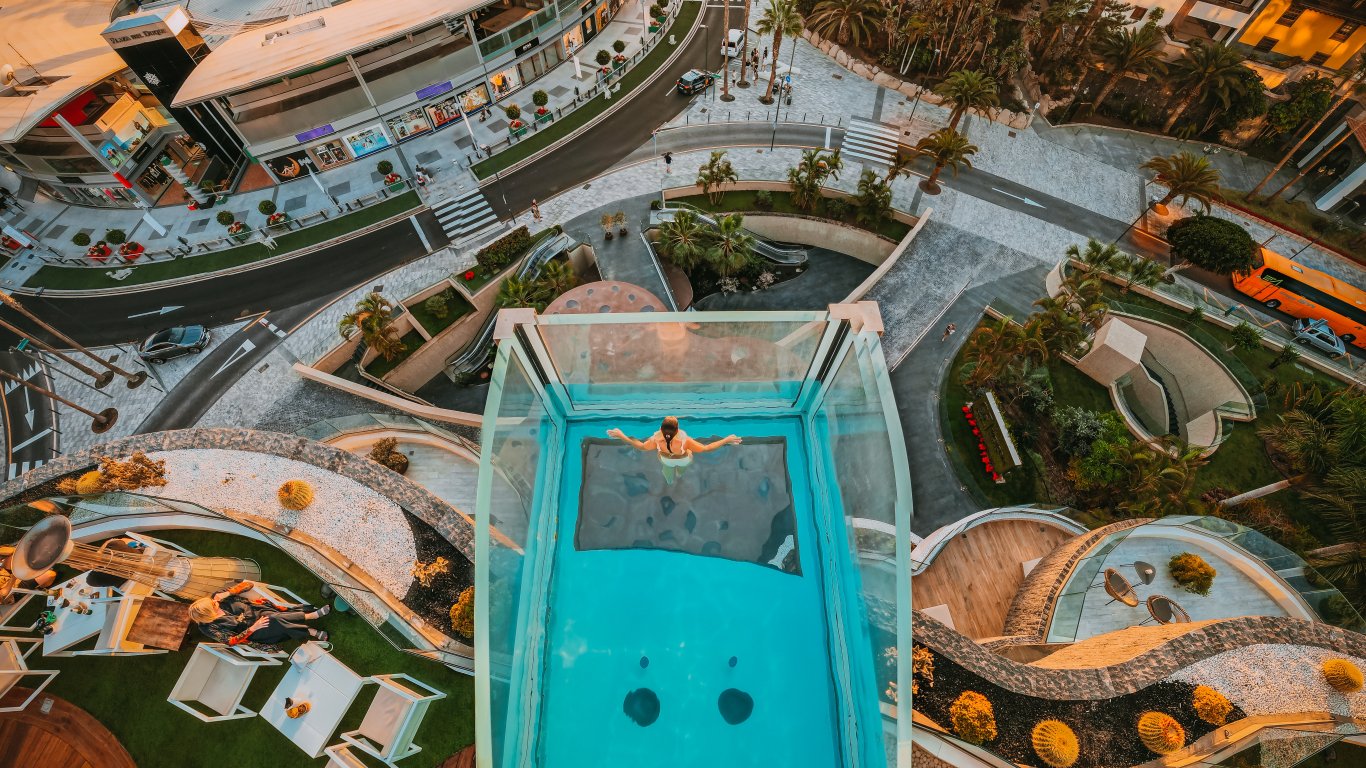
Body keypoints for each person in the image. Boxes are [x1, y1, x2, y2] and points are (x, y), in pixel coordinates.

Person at [189, 580, 331, 645]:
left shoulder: (218, 597)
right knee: (274, 619)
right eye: (213, 605)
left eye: (212, 601)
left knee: (273, 617)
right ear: (209, 614)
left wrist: (228, 593)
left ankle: (311, 631)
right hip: (254, 631)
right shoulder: (207, 627)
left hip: (258, 611)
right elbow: (230, 641)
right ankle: (311, 618)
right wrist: (253, 628)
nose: (215, 602)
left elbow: (248, 584)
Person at [607, 416, 741, 485]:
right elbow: (707, 448)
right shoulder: (685, 441)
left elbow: (640, 446)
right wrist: (726, 440)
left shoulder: (656, 440)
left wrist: (621, 435)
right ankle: (680, 474)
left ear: (661, 428)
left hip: (666, 460)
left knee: (667, 469)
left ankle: (669, 481)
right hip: (683, 460)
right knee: (682, 467)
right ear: (677, 430)